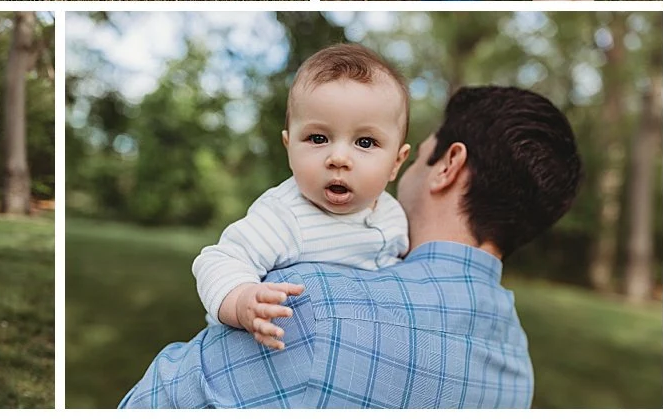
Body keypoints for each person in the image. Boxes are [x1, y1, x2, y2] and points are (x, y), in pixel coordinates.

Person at [121, 85, 582, 408]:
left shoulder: (308, 306)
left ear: (448, 166)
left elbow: (151, 403)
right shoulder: (518, 372)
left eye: (420, 155)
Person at [192, 45, 410, 351]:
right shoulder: (285, 215)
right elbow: (219, 259)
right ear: (289, 147)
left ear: (396, 163)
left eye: (365, 142)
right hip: (274, 350)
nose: (338, 158)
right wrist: (243, 301)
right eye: (318, 139)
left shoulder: (393, 214)